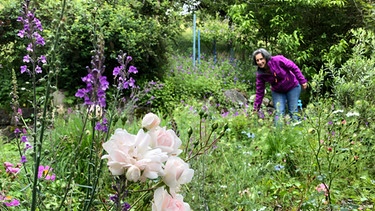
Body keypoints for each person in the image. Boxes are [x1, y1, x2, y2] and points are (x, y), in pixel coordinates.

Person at [252, 48, 307, 123]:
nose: (260, 62)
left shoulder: (277, 60)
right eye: (257, 60)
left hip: (292, 86)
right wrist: (256, 109)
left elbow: (293, 67)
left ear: (265, 57)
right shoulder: (260, 74)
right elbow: (259, 92)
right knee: (278, 113)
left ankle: (296, 131)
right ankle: (278, 133)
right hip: (277, 91)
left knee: (293, 111)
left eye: (261, 59)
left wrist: (302, 81)